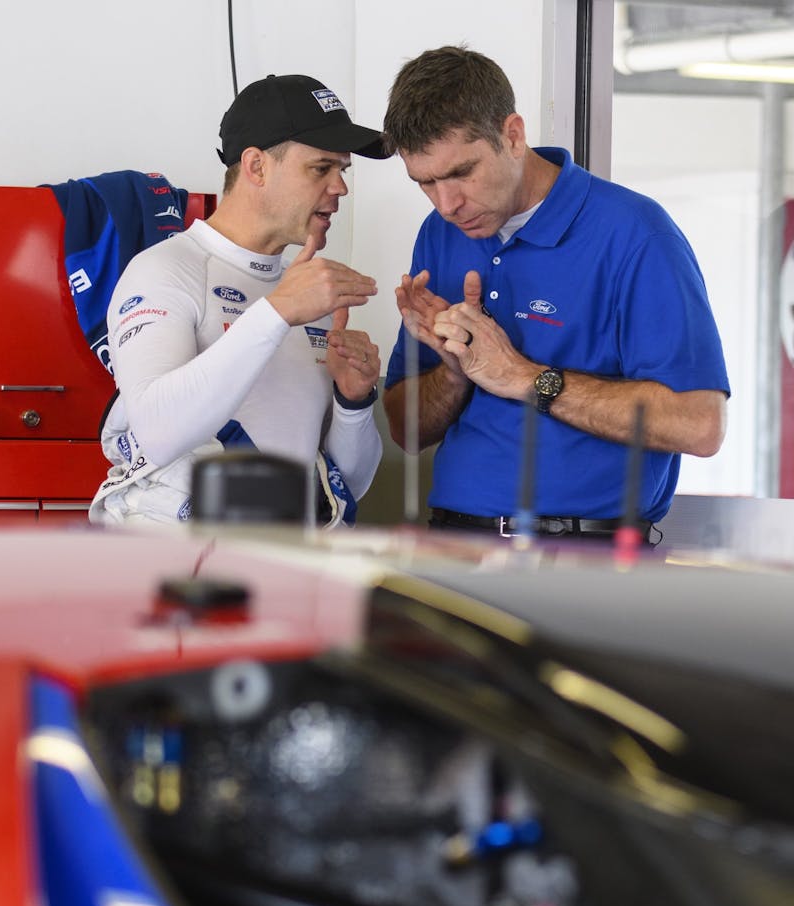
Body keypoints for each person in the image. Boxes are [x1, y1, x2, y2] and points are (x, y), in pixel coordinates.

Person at [381, 46, 729, 542]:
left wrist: (522, 376)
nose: (447, 204)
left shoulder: (635, 234)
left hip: (587, 554)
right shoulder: (439, 234)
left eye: (461, 173)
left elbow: (699, 425)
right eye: (425, 183)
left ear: (514, 135)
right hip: (452, 543)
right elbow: (404, 430)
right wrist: (457, 368)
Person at [89, 74, 389, 526]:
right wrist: (275, 313)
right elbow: (157, 431)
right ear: (256, 167)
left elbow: (347, 484)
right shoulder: (165, 270)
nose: (340, 187)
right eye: (321, 168)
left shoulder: (306, 292)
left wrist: (354, 401)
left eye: (341, 170)